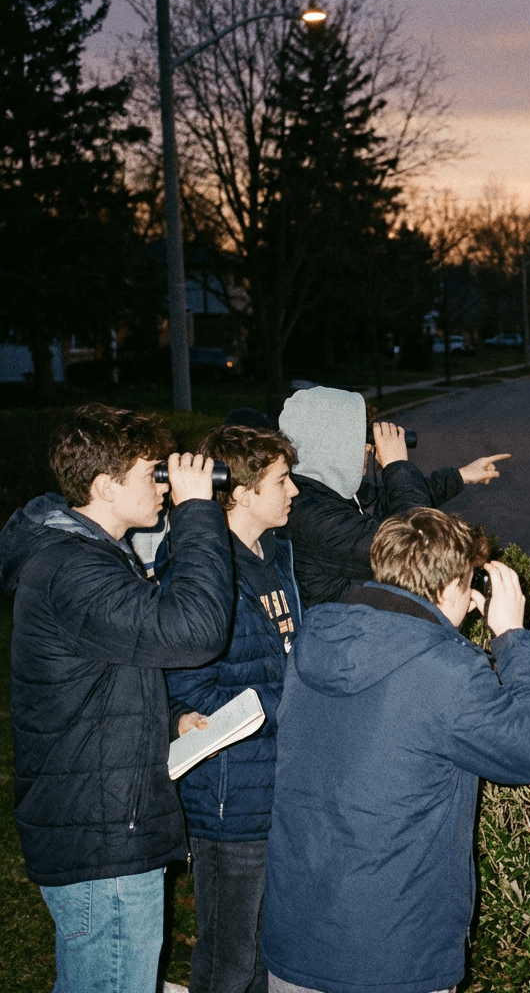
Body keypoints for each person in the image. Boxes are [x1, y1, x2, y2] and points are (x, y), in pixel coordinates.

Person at [261, 506, 530, 993]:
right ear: (449, 588)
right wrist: (512, 636)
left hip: (296, 939)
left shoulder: (314, 638)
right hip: (390, 957)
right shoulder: (447, 671)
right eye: (467, 585)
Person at [0, 403, 234, 993]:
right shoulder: (73, 568)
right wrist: (200, 511)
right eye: (152, 473)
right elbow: (194, 631)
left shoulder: (85, 554)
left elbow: (105, 670)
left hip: (100, 816)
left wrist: (168, 717)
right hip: (101, 833)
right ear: (106, 486)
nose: (163, 486)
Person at [167, 423, 302, 993]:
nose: (294, 490)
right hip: (231, 802)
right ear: (241, 493)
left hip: (281, 790)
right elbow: (192, 690)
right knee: (229, 962)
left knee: (269, 956)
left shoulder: (278, 555)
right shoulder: (200, 570)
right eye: (281, 480)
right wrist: (297, 704)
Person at [278, 386, 510, 607]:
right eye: (358, 441)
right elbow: (413, 547)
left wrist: (461, 476)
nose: (368, 449)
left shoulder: (320, 492)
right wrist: (396, 464)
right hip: (349, 641)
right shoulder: (314, 517)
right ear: (332, 446)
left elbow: (392, 499)